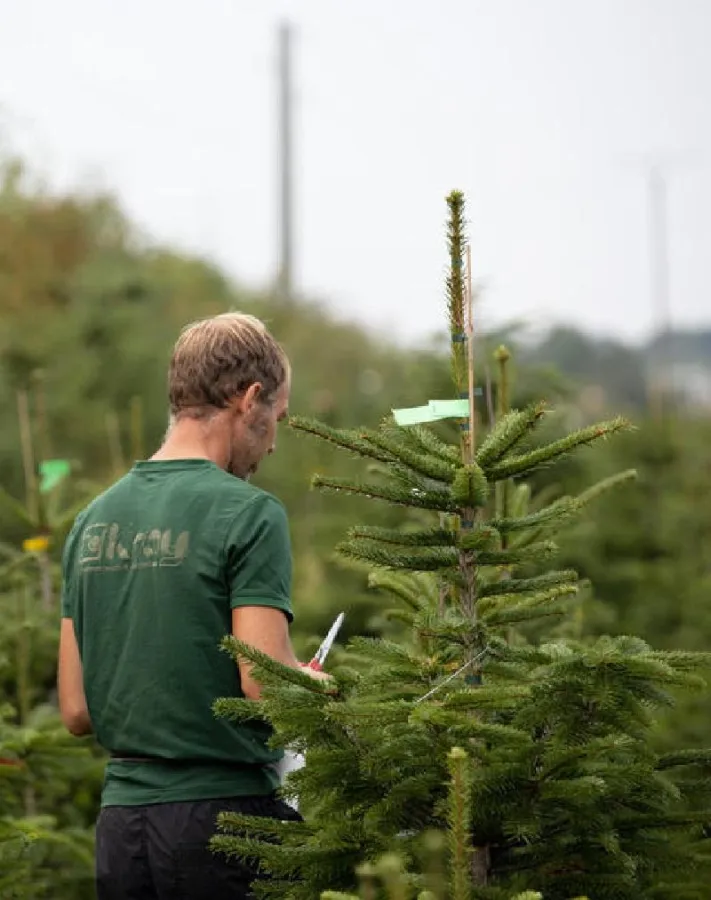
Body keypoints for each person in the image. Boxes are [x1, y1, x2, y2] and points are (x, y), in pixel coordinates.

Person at [57, 312, 331, 899]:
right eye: (278, 418)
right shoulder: (250, 514)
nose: (273, 442)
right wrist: (313, 685)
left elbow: (76, 709)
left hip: (121, 832)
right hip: (226, 826)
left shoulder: (91, 521)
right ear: (249, 400)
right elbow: (263, 684)